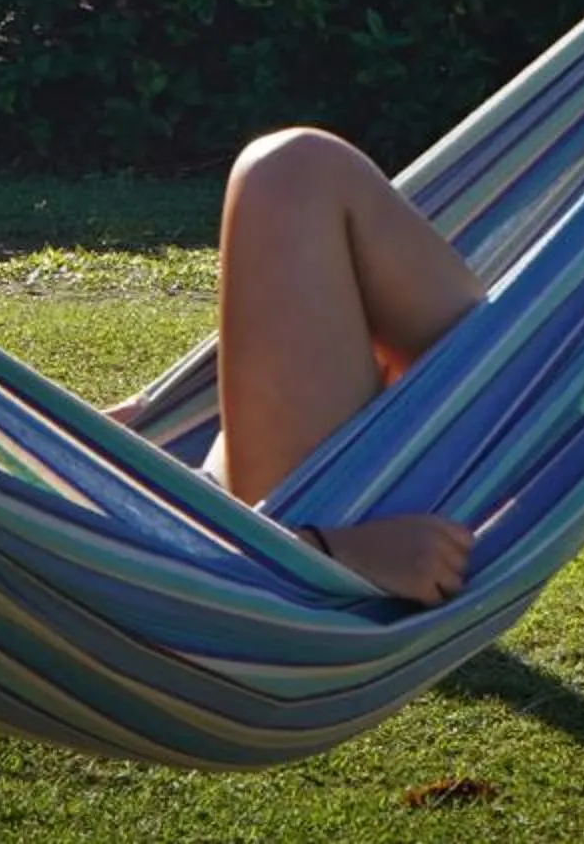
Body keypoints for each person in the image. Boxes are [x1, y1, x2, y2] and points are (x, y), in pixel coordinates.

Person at [108, 127, 479, 607]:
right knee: (294, 173)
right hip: (251, 555)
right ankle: (558, 375)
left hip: (206, 518)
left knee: (299, 174)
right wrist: (332, 553)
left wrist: (88, 438)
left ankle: (552, 373)